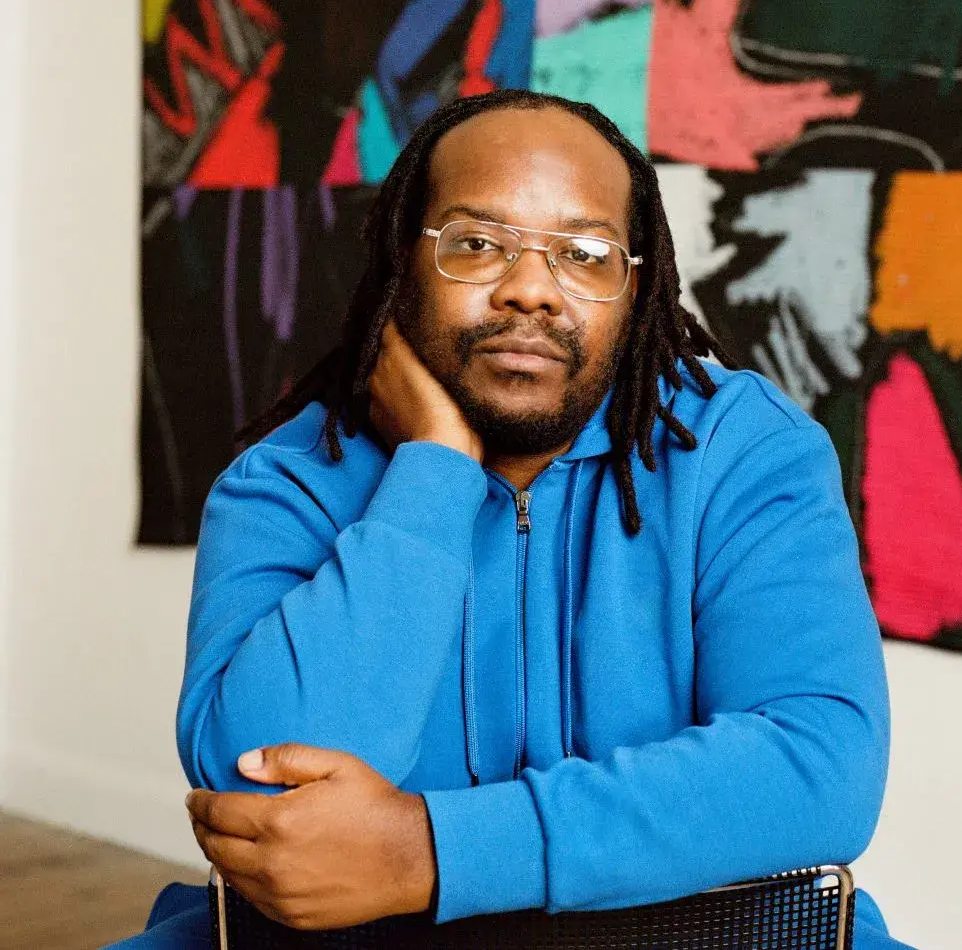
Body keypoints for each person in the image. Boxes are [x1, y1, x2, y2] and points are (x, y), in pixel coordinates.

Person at [108, 90, 915, 948]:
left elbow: (819, 766)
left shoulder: (743, 451)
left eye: (584, 252)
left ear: (636, 288)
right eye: (478, 243)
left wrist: (431, 850)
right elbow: (262, 796)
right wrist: (434, 472)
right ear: (400, 264)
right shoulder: (287, 480)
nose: (531, 288)